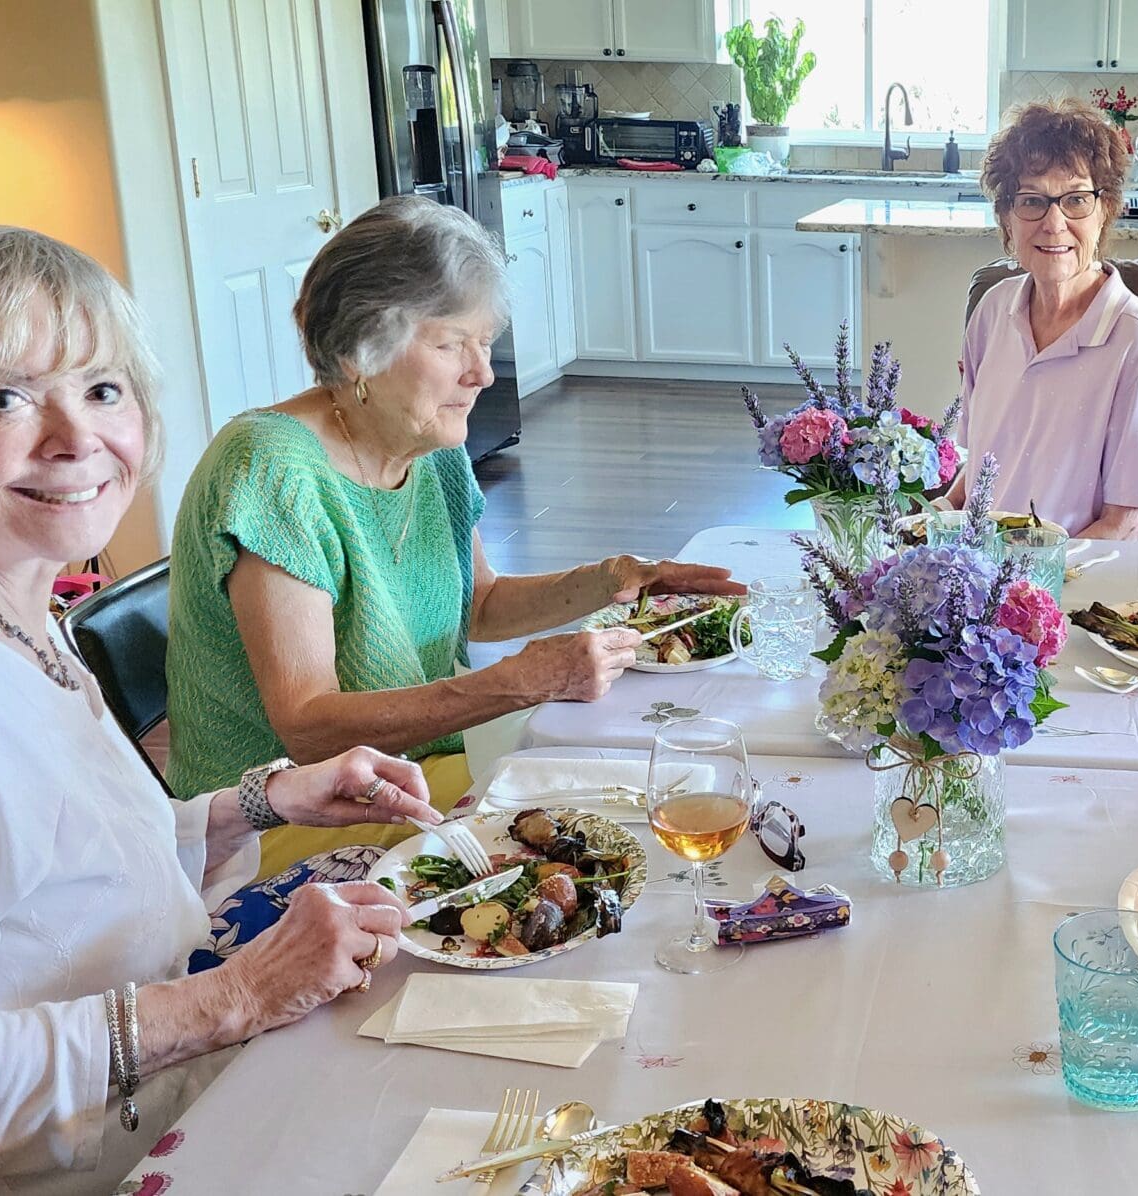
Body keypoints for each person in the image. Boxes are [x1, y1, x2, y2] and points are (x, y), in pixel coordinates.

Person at [0, 226, 437, 1193]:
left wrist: (259, 805)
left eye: (102, 388)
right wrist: (237, 997)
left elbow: (50, 874)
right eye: (2, 397)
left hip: (129, 1103)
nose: (77, 439)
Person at [164, 196, 742, 874]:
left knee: (670, 780)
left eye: (484, 342)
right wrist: (514, 684)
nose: (482, 373)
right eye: (449, 344)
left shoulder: (428, 445)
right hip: (285, 824)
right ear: (357, 352)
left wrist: (613, 579)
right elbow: (309, 728)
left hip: (416, 771)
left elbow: (479, 603)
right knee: (623, 831)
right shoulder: (270, 468)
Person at [952, 97, 1138, 540]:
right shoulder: (992, 311)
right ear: (1007, 218)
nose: (1054, 223)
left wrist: (1030, 580)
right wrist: (936, 517)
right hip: (979, 569)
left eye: (1076, 199)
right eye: (1032, 200)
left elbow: (1127, 524)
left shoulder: (1137, 341)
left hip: (1075, 577)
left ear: (1105, 210)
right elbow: (981, 466)